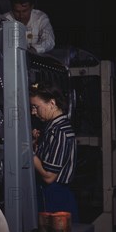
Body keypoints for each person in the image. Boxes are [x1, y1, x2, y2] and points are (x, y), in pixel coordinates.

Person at [29, 81, 79, 222]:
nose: (33, 112)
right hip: (51, 195)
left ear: (52, 103)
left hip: (56, 198)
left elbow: (49, 177)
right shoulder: (52, 129)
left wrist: (27, 152)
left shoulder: (59, 132)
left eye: (35, 107)